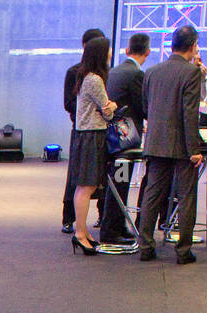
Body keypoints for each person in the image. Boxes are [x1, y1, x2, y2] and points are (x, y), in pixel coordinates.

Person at [138, 24, 205, 264]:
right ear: (193, 46)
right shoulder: (191, 73)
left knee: (152, 194)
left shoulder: (152, 72)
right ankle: (183, 251)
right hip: (181, 145)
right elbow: (190, 113)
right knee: (186, 195)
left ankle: (145, 245)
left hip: (155, 141)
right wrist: (194, 150)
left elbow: (146, 107)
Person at [101, 32, 151, 244]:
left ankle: (116, 226)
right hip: (126, 139)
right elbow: (142, 106)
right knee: (121, 182)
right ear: (148, 52)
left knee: (117, 181)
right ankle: (112, 230)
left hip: (113, 136)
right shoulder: (136, 74)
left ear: (128, 49)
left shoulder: (114, 71)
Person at [69, 36, 117, 255]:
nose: (110, 54)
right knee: (86, 186)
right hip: (92, 136)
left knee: (85, 186)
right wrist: (113, 105)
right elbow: (107, 109)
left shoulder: (85, 76)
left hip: (86, 135)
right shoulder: (94, 79)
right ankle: (80, 233)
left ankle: (82, 231)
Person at [63, 28, 107, 234]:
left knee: (90, 181)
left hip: (88, 131)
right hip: (87, 132)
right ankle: (72, 222)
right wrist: (104, 109)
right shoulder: (81, 74)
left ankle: (96, 219)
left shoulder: (95, 74)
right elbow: (70, 103)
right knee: (81, 180)